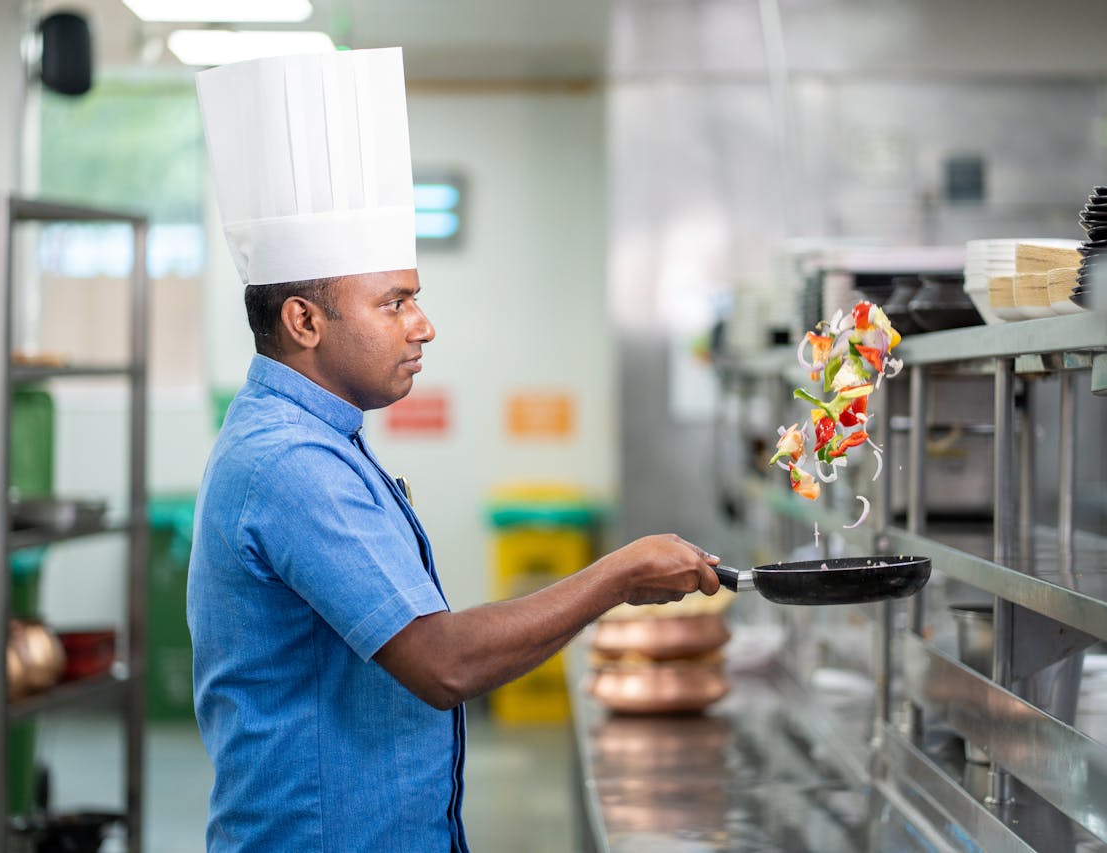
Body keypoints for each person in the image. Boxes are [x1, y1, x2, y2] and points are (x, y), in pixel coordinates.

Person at [187, 48, 722, 852]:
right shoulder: (290, 464)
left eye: (417, 299)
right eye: (395, 302)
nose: (423, 324)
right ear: (305, 321)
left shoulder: (321, 439)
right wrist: (618, 573)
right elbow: (444, 663)